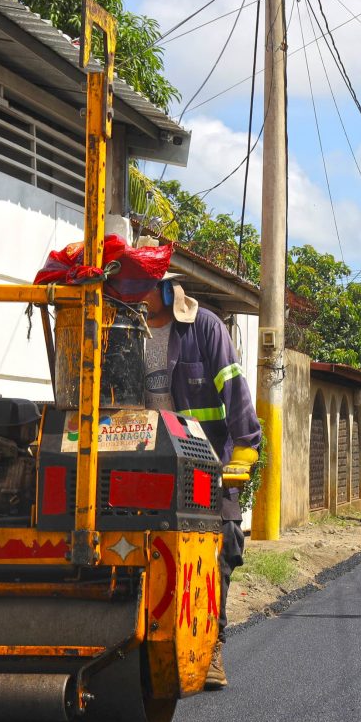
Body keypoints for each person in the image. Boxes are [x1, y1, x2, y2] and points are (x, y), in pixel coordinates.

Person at [140, 278, 261, 690]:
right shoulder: (121, 329)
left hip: (205, 465)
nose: (136, 293)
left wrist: (244, 448)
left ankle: (211, 648)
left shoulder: (204, 328)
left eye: (144, 285)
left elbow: (235, 387)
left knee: (223, 543)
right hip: (146, 465)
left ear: (167, 290)